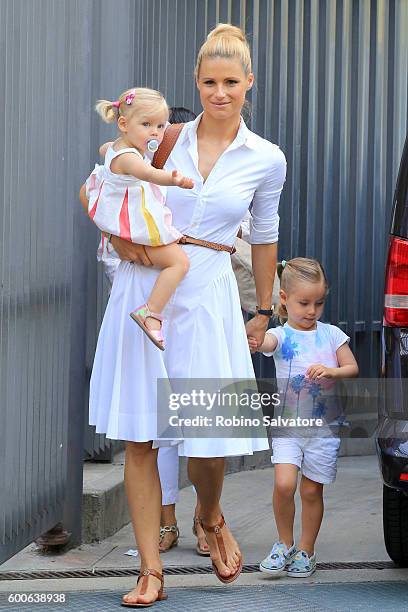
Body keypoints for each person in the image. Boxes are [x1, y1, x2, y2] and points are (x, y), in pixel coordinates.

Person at [80, 23, 286, 607]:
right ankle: (150, 571)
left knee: (208, 440)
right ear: (195, 83)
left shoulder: (266, 158)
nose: (219, 93)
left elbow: (265, 238)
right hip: (146, 292)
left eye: (231, 82)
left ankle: (211, 516)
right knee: (142, 437)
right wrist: (122, 245)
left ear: (249, 83)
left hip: (213, 297)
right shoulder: (161, 138)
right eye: (208, 82)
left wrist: (264, 310)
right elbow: (103, 186)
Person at [248, 258, 359, 578]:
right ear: (284, 299)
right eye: (304, 303)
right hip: (288, 428)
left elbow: (352, 368)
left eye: (319, 303)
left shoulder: (332, 335)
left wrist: (332, 371)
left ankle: (306, 550)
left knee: (312, 491)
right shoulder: (281, 336)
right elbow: (267, 342)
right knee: (284, 484)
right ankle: (284, 543)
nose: (312, 311)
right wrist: (256, 339)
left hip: (324, 429)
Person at [86, 87, 194, 350]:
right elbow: (148, 174)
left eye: (160, 125)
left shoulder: (118, 148)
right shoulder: (130, 159)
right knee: (178, 263)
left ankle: (152, 311)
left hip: (126, 228)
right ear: (123, 123)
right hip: (134, 230)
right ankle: (151, 312)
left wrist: (110, 148)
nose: (155, 133)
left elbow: (105, 148)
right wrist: (173, 179)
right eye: (146, 124)